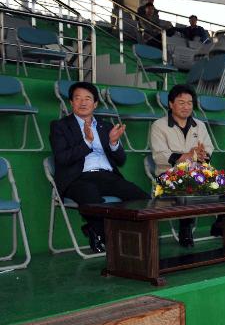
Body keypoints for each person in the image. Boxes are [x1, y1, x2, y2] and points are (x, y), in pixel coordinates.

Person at [49, 82, 149, 253]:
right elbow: (62, 158)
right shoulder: (60, 126)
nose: (82, 102)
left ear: (95, 104)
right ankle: (103, 233)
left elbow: (120, 160)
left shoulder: (106, 126)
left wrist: (113, 142)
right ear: (71, 103)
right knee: (90, 196)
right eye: (77, 98)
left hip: (106, 176)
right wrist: (87, 142)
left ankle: (104, 232)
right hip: (77, 178)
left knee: (142, 199)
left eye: (88, 98)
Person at [150, 84, 215, 247]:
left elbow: (208, 148)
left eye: (189, 103)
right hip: (167, 176)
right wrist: (185, 156)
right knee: (188, 186)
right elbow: (159, 156)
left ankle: (222, 224)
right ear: (171, 104)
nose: (186, 107)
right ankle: (185, 228)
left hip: (196, 173)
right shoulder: (159, 125)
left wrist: (202, 156)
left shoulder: (199, 125)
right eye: (181, 102)